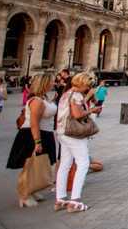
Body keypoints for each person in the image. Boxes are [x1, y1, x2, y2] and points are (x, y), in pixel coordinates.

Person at [7, 74, 58, 207]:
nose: (54, 83)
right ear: (44, 83)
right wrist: (37, 142)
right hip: (33, 134)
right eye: (52, 81)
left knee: (41, 165)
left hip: (45, 133)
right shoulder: (37, 101)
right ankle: (24, 195)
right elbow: (34, 123)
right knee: (30, 165)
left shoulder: (44, 98)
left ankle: (33, 189)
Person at [55, 72, 101, 213]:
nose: (88, 87)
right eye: (87, 84)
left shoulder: (66, 94)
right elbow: (77, 115)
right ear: (82, 83)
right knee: (83, 164)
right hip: (74, 134)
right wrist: (92, 110)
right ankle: (75, 201)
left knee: (65, 164)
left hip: (62, 132)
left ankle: (61, 199)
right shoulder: (76, 95)